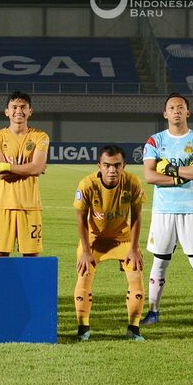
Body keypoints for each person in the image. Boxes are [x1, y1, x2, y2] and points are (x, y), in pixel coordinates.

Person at [140, 93, 193, 328]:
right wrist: (181, 176)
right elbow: (150, 176)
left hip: (191, 210)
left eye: (180, 107)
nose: (176, 110)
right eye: (172, 107)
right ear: (165, 113)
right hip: (163, 211)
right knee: (160, 262)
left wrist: (171, 168)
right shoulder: (154, 141)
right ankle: (153, 311)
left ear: (188, 112)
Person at [73, 145, 147, 342]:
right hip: (94, 240)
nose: (112, 170)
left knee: (136, 274)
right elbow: (80, 219)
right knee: (84, 272)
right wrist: (86, 252)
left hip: (123, 239)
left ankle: (134, 328)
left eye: (117, 165)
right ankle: (83, 328)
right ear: (99, 166)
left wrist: (133, 249)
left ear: (124, 166)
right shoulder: (87, 184)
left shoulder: (132, 182)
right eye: (107, 165)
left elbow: (137, 216)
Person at [0, 91, 49, 257]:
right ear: (6, 111)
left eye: (23, 107)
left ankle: (30, 285)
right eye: (14, 107)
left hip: (31, 206)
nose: (18, 111)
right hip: (3, 205)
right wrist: (32, 168)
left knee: (31, 258)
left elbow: (34, 168)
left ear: (30, 111)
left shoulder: (40, 136)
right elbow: (2, 175)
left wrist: (7, 167)